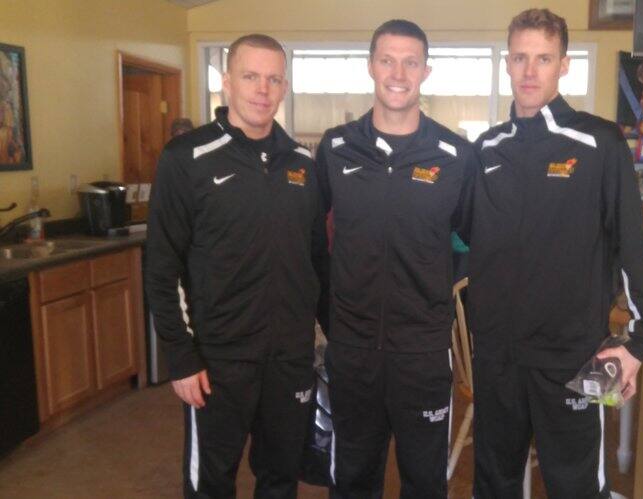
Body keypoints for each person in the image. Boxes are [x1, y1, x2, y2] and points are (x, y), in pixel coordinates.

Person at [468, 9, 643, 499]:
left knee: (579, 488)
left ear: (564, 65)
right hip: (498, 358)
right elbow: (470, 240)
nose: (530, 71)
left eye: (544, 58)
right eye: (520, 58)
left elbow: (632, 247)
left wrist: (638, 343)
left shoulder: (600, 142)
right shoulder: (486, 149)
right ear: (507, 64)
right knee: (493, 486)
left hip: (578, 359)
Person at [145, 33, 328, 499]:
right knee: (211, 482)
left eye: (273, 79)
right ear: (227, 82)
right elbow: (162, 267)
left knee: (280, 478)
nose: (262, 90)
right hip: (217, 361)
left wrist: (334, 338)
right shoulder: (186, 158)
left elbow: (316, 263)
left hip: (289, 359)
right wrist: (181, 357)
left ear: (284, 87)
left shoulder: (302, 164)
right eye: (250, 76)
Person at [314, 19, 478, 499]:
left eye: (410, 62)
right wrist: (331, 316)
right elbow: (309, 240)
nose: (398, 73)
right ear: (371, 66)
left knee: (425, 483)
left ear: (426, 71)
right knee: (351, 481)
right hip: (352, 351)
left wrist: (436, 300)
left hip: (422, 354)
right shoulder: (336, 148)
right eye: (388, 60)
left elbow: (476, 245)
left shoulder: (455, 155)